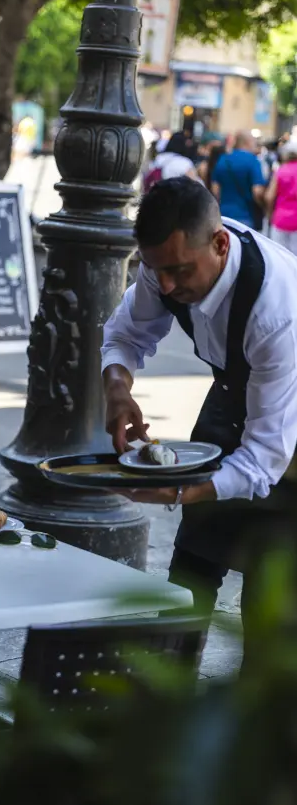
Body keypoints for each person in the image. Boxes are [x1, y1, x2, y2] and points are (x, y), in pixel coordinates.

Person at [102, 177, 297, 660]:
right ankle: (162, 704)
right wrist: (117, 387)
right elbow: (126, 331)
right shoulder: (165, 260)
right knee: (186, 587)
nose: (166, 285)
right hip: (231, 398)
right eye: (156, 270)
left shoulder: (277, 312)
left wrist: (179, 490)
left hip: (289, 434)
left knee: (268, 612)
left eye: (179, 271)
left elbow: (262, 462)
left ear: (220, 243)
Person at [211, 130, 266, 230]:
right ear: (247, 142)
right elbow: (257, 191)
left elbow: (215, 189)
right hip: (246, 216)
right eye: (254, 142)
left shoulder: (223, 159)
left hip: (223, 215)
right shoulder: (253, 160)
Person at [265, 141, 297, 256]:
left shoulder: (280, 171)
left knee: (280, 256)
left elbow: (269, 196)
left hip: (281, 219)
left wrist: (269, 214)